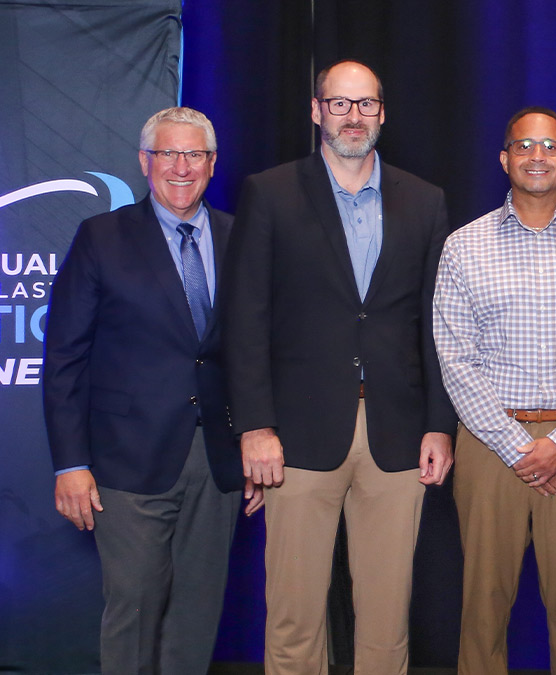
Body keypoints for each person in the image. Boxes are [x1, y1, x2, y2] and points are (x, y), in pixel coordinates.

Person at [221, 60, 456, 674]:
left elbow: (435, 325)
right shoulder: (269, 193)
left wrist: (439, 425)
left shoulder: (424, 201)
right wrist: (254, 425)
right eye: (340, 103)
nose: (354, 116)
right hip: (294, 436)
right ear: (316, 110)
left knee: (386, 619)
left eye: (366, 104)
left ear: (383, 111)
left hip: (398, 435)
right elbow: (244, 319)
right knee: (294, 619)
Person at [43, 106, 256, 674]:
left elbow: (257, 354)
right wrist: (70, 464)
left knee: (198, 614)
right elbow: (64, 357)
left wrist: (258, 446)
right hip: (125, 465)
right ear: (144, 161)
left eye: (194, 154)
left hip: (218, 462)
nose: (180, 167)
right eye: (167, 154)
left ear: (212, 163)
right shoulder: (101, 237)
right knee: (133, 610)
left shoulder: (241, 238)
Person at [433, 106, 556, 674]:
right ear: (504, 158)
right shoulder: (464, 246)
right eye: (524, 145)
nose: (537, 156)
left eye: (550, 146)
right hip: (490, 442)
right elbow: (456, 359)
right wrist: (519, 446)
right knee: (483, 609)